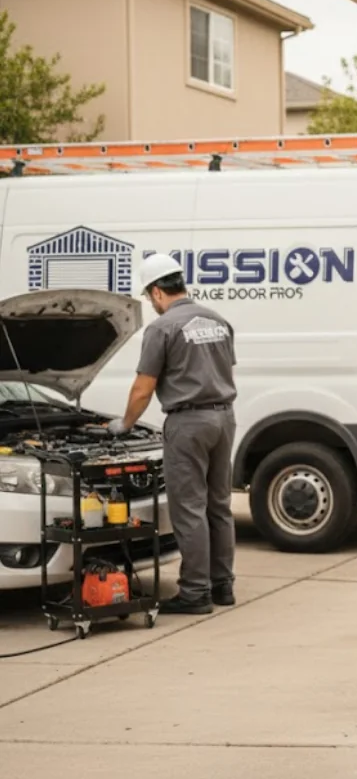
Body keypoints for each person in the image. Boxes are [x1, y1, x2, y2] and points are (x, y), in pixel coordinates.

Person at [110, 253, 239, 615]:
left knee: (189, 509)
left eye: (150, 297)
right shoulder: (218, 320)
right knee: (220, 505)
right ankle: (222, 585)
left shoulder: (163, 328)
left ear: (155, 292)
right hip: (224, 418)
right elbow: (224, 369)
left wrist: (126, 424)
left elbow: (142, 389)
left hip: (188, 423)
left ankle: (195, 592)